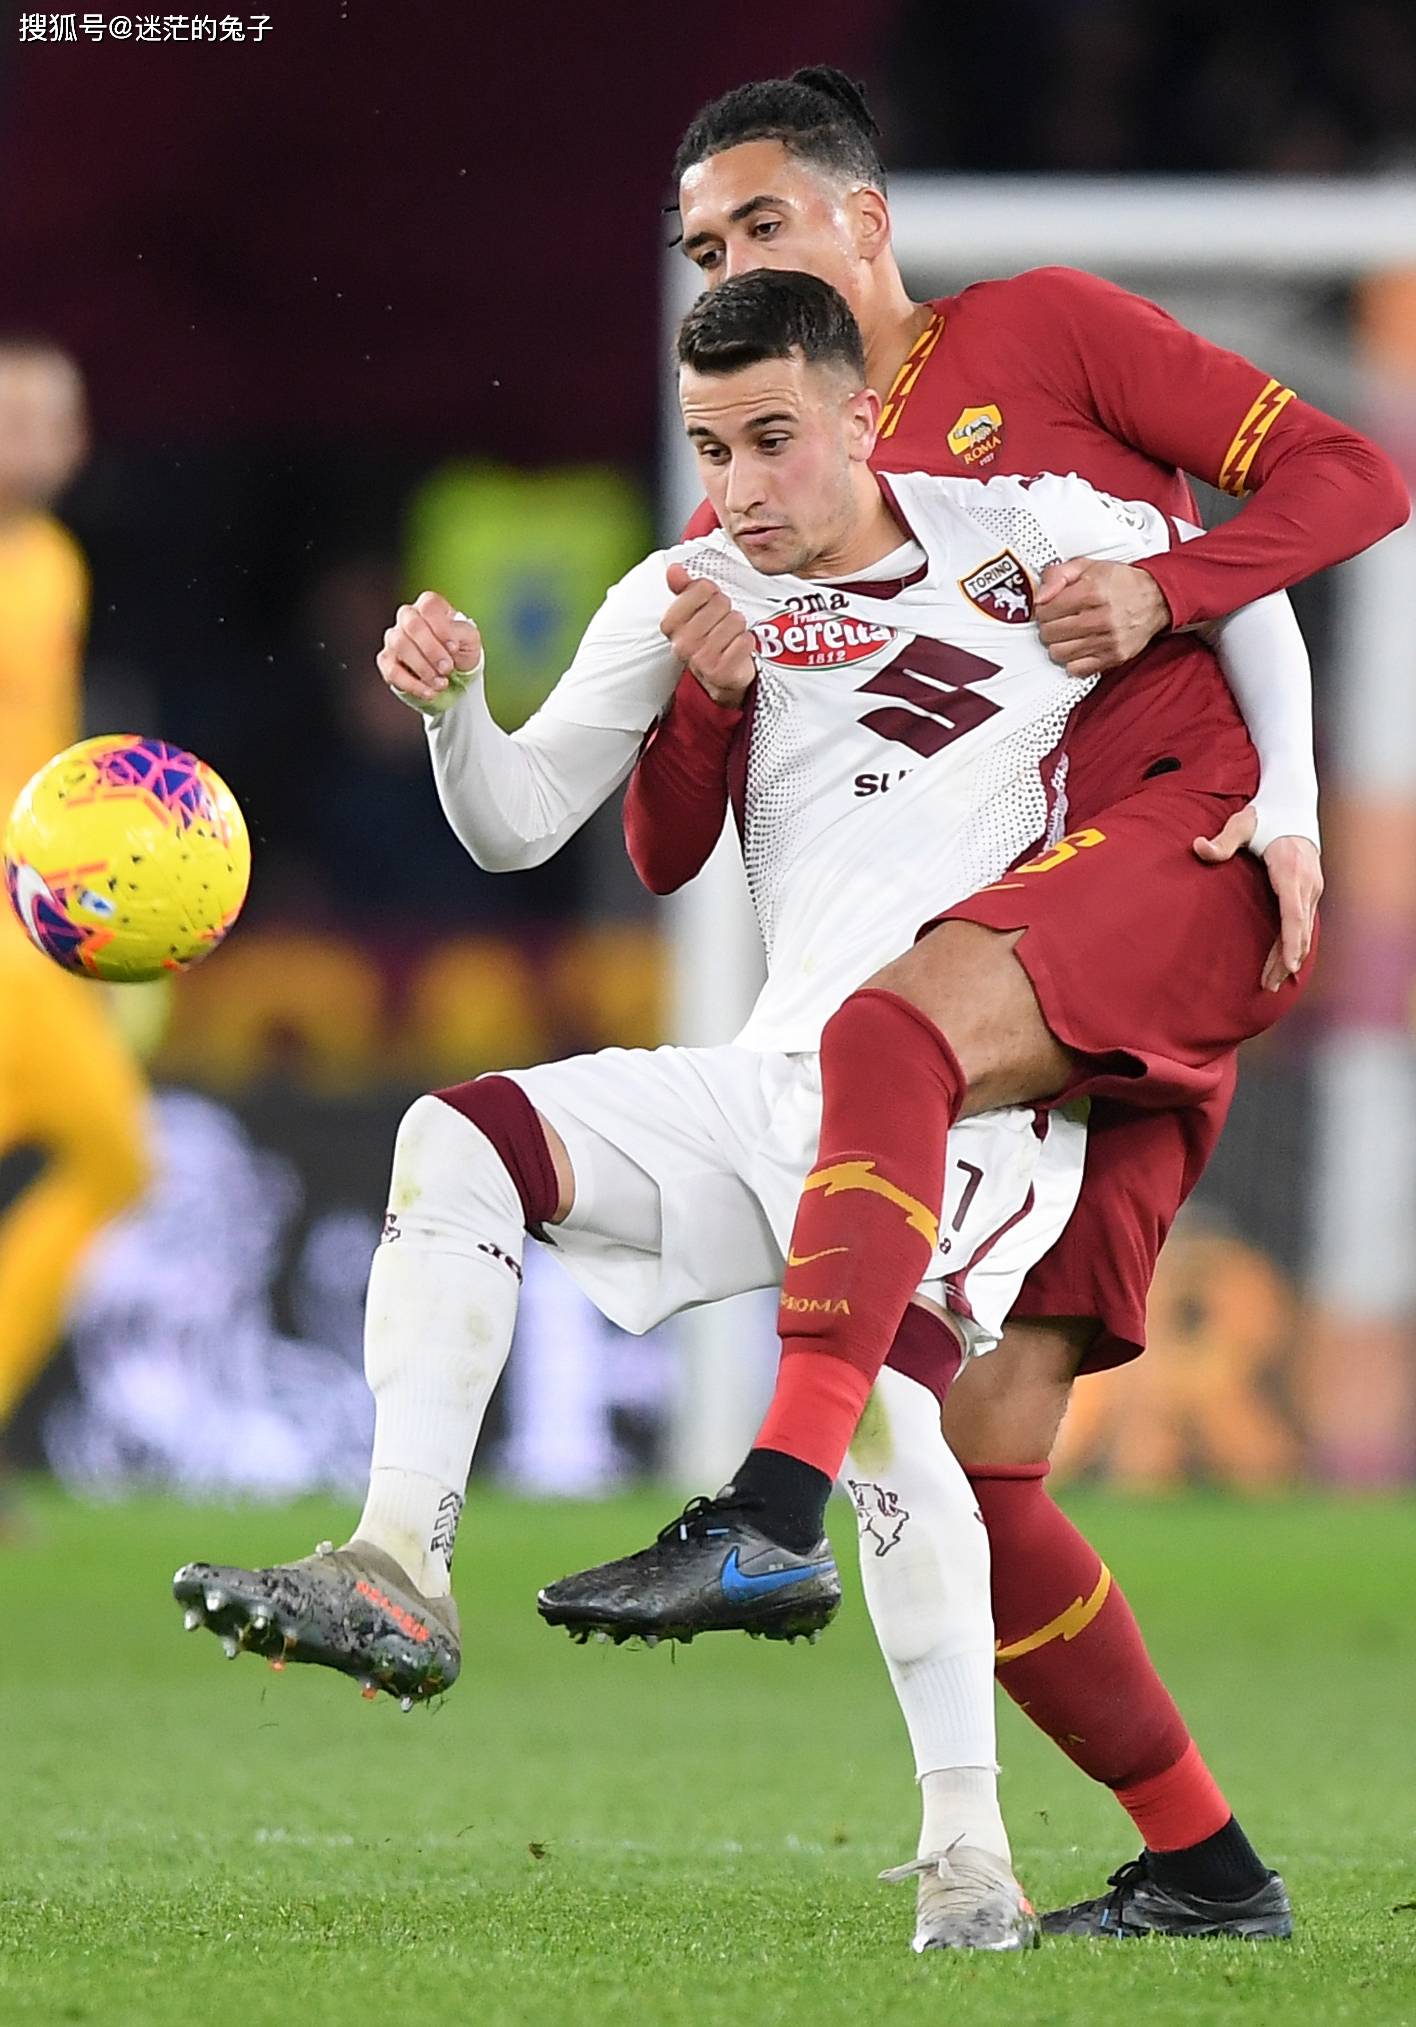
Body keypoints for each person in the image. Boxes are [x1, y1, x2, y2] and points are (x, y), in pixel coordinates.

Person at [171, 268, 1309, 1951]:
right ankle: (396, 1561)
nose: (741, 485)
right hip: (777, 1075)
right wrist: (455, 713)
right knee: (457, 1137)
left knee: (900, 1418)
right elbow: (516, 823)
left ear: (865, 413)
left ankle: (966, 1857)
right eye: (712, 447)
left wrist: (1290, 808)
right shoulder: (687, 587)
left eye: (774, 438)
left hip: (977, 1094)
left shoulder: (1027, 531)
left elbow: (1250, 595)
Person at [554, 68, 1408, 1940]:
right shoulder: (773, 493)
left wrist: (1244, 722)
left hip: (1164, 851)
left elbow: (1351, 479)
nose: (733, 263)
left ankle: (768, 1497)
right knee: (979, 1460)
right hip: (1039, 940)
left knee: (891, 1027)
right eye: (704, 247)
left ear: (865, 220)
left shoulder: (1047, 334)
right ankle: (1207, 1871)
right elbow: (677, 839)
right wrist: (698, 701)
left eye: (763, 223)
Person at [0, 339, 150, 1495]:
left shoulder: (53, 558)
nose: (29, 442)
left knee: (115, 1160)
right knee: (116, 1155)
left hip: (30, 925)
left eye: (48, 421)